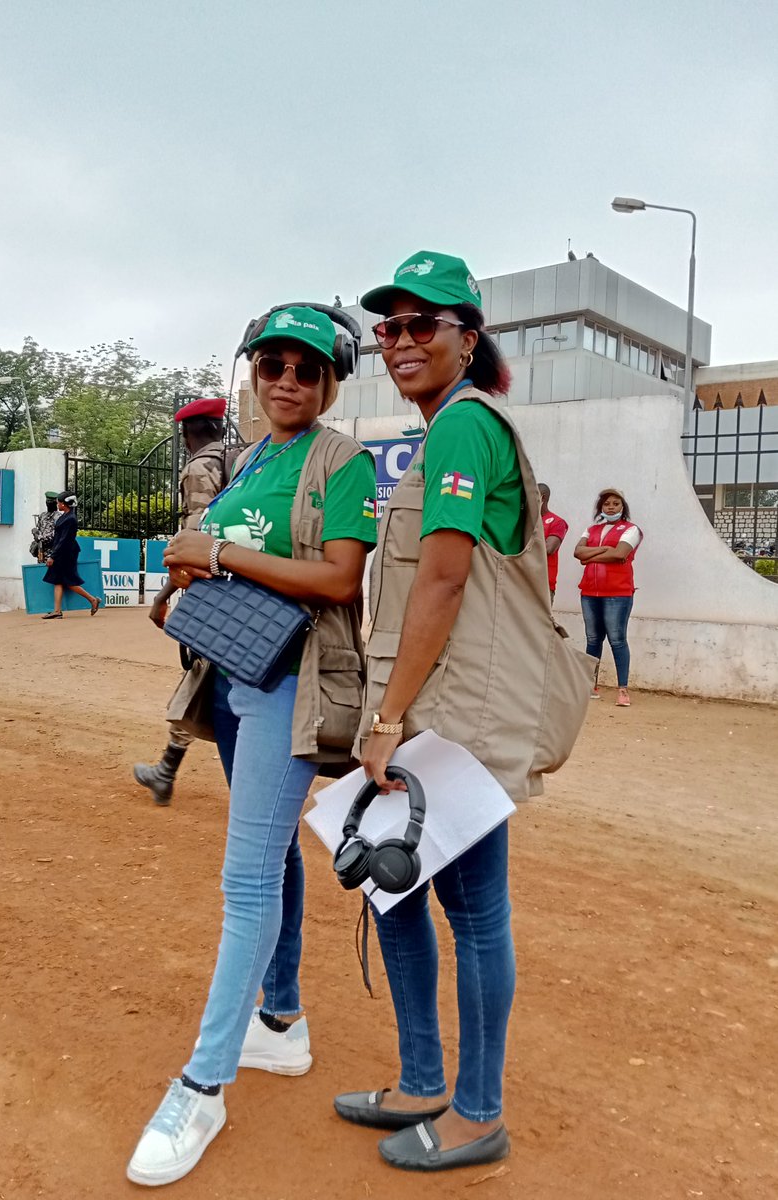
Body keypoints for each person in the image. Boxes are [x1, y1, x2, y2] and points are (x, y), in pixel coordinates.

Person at [333, 251, 591, 1174]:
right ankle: (421, 1080)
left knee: (474, 912)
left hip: (457, 718)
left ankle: (478, 1112)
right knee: (395, 889)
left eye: (422, 325)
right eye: (388, 327)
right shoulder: (446, 429)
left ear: (466, 339)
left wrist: (386, 720)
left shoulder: (466, 427)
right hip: (429, 705)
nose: (400, 341)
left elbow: (442, 581)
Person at [127, 304, 377, 1187]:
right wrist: (186, 573)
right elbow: (221, 553)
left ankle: (202, 1087)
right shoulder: (251, 459)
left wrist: (221, 554)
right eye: (273, 365)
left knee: (246, 881)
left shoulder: (339, 461)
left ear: (330, 382)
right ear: (254, 373)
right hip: (232, 676)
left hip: (290, 685)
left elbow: (340, 578)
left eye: (307, 369)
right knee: (267, 863)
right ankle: (280, 1023)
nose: (287, 381)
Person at [134, 396, 239, 807]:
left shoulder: (199, 468)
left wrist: (163, 596)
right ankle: (167, 769)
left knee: (205, 673)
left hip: (213, 593)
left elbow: (196, 543)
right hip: (245, 589)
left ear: (185, 434)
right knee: (208, 675)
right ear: (220, 427)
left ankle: (168, 771)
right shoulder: (241, 461)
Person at [574, 487, 643, 707]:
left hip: (617, 593)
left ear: (623, 507)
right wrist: (606, 550)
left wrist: (589, 556)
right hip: (589, 592)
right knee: (593, 639)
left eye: (615, 503)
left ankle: (622, 689)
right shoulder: (591, 529)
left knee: (617, 640)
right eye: (606, 504)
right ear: (600, 507)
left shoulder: (631, 530)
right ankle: (590, 686)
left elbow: (620, 553)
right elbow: (577, 552)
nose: (611, 507)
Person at [40, 493, 102, 619]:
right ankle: (57, 611)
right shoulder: (65, 516)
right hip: (61, 552)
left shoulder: (70, 519)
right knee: (58, 580)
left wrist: (53, 556)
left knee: (68, 581)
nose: (57, 504)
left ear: (64, 504)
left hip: (66, 554)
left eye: (59, 502)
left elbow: (64, 540)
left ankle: (92, 600)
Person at [539, 483, 569, 601]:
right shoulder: (524, 521)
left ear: (542, 497)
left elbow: (548, 548)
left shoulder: (557, 522)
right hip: (520, 582)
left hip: (543, 584)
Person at [30, 492, 61, 563]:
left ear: (55, 503)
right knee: (41, 568)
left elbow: (54, 535)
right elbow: (39, 529)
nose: (49, 504)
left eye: (51, 502)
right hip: (41, 551)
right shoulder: (42, 515)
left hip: (52, 552)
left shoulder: (59, 517)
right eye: (48, 502)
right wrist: (35, 532)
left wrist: (38, 537)